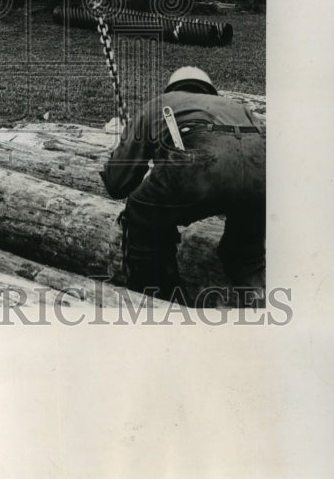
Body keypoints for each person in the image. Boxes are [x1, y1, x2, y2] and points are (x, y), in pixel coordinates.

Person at [101, 66, 266, 306]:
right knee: (246, 255)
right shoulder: (241, 109)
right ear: (210, 90)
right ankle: (257, 299)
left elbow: (118, 184)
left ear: (172, 88)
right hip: (263, 173)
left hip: (197, 170)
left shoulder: (159, 104)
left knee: (141, 210)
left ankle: (158, 297)